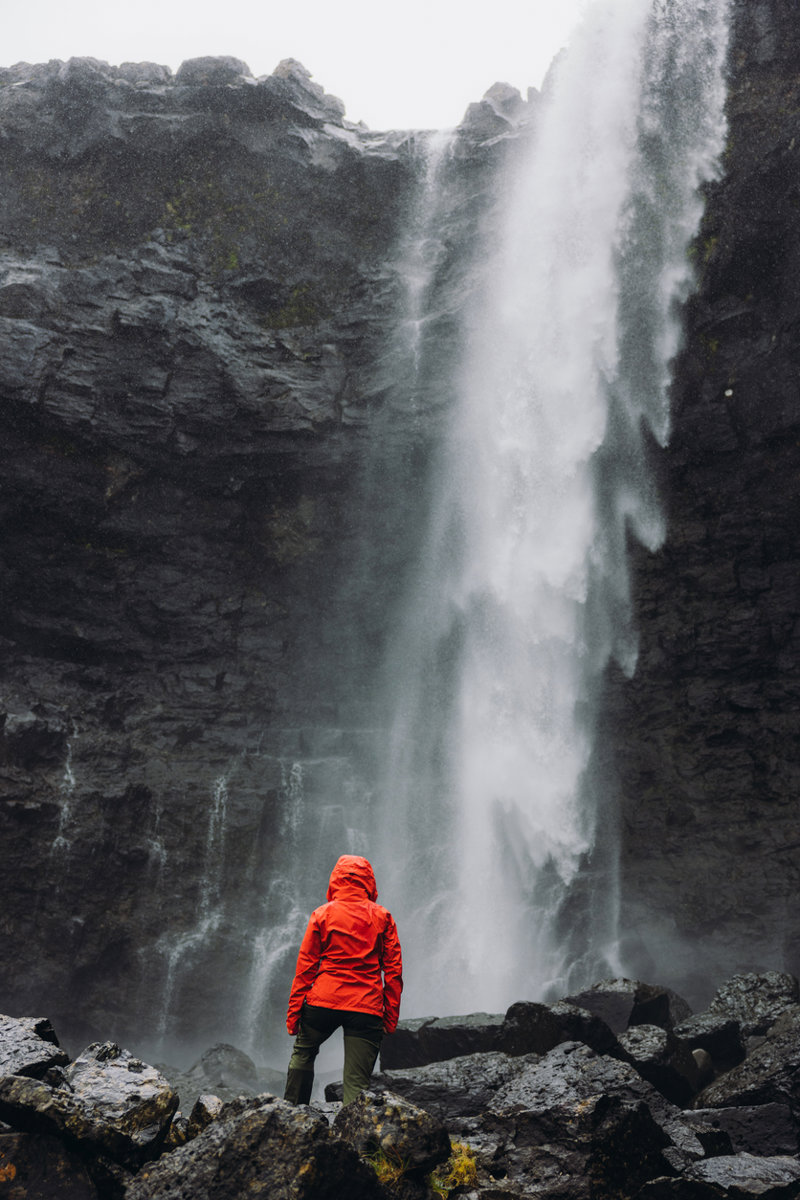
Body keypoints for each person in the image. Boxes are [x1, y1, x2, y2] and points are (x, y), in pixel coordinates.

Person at [283, 854, 403, 1106]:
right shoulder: (383, 917)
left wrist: (293, 1016)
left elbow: (305, 968)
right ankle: (353, 1129)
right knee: (357, 1084)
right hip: (366, 1008)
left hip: (323, 1003)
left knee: (303, 1054)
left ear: (335, 880)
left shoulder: (322, 914)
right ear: (369, 882)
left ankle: (290, 1115)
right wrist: (390, 1018)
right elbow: (393, 972)